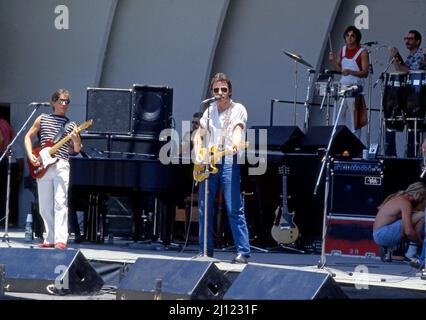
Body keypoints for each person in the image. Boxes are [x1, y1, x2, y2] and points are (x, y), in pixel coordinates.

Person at [193, 72, 250, 263]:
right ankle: (205, 251)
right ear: (212, 91)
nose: (220, 93)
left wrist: (236, 143)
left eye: (223, 89)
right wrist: (198, 153)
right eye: (216, 90)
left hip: (228, 160)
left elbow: (238, 129)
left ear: (230, 91)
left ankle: (243, 251)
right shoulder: (209, 111)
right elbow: (198, 134)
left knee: (233, 206)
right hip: (210, 160)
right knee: (204, 207)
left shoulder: (238, 109)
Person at [24, 89, 82, 249]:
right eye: (62, 101)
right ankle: (49, 238)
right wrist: (30, 155)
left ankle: (61, 240)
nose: (65, 105)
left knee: (60, 203)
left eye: (67, 102)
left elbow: (76, 149)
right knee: (44, 205)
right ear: (53, 102)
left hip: (61, 164)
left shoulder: (71, 125)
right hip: (43, 164)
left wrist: (76, 140)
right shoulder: (42, 119)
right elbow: (28, 136)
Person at [385, 30, 426, 157]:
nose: (407, 41)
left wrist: (396, 60)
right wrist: (397, 59)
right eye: (406, 38)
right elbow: (402, 71)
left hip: (416, 96)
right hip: (409, 95)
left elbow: (409, 72)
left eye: (411, 39)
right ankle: (392, 154)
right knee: (393, 117)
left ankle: (411, 156)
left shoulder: (421, 54)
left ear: (418, 41)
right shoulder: (410, 56)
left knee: (414, 123)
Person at [329, 25, 369, 138]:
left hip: (355, 88)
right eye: (347, 35)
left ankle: (355, 147)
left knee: (354, 121)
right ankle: (336, 143)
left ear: (357, 38)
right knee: (337, 118)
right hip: (342, 87)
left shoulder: (362, 52)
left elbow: (365, 73)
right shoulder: (342, 50)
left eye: (352, 35)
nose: (349, 38)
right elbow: (339, 69)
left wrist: (351, 72)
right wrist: (332, 61)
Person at [373, 182, 426, 263]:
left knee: (412, 218)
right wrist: (422, 244)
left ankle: (389, 251)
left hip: (378, 235)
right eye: (423, 199)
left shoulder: (399, 198)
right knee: (422, 215)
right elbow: (408, 232)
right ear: (418, 194)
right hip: (383, 234)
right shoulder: (405, 203)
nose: (422, 202)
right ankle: (411, 254)